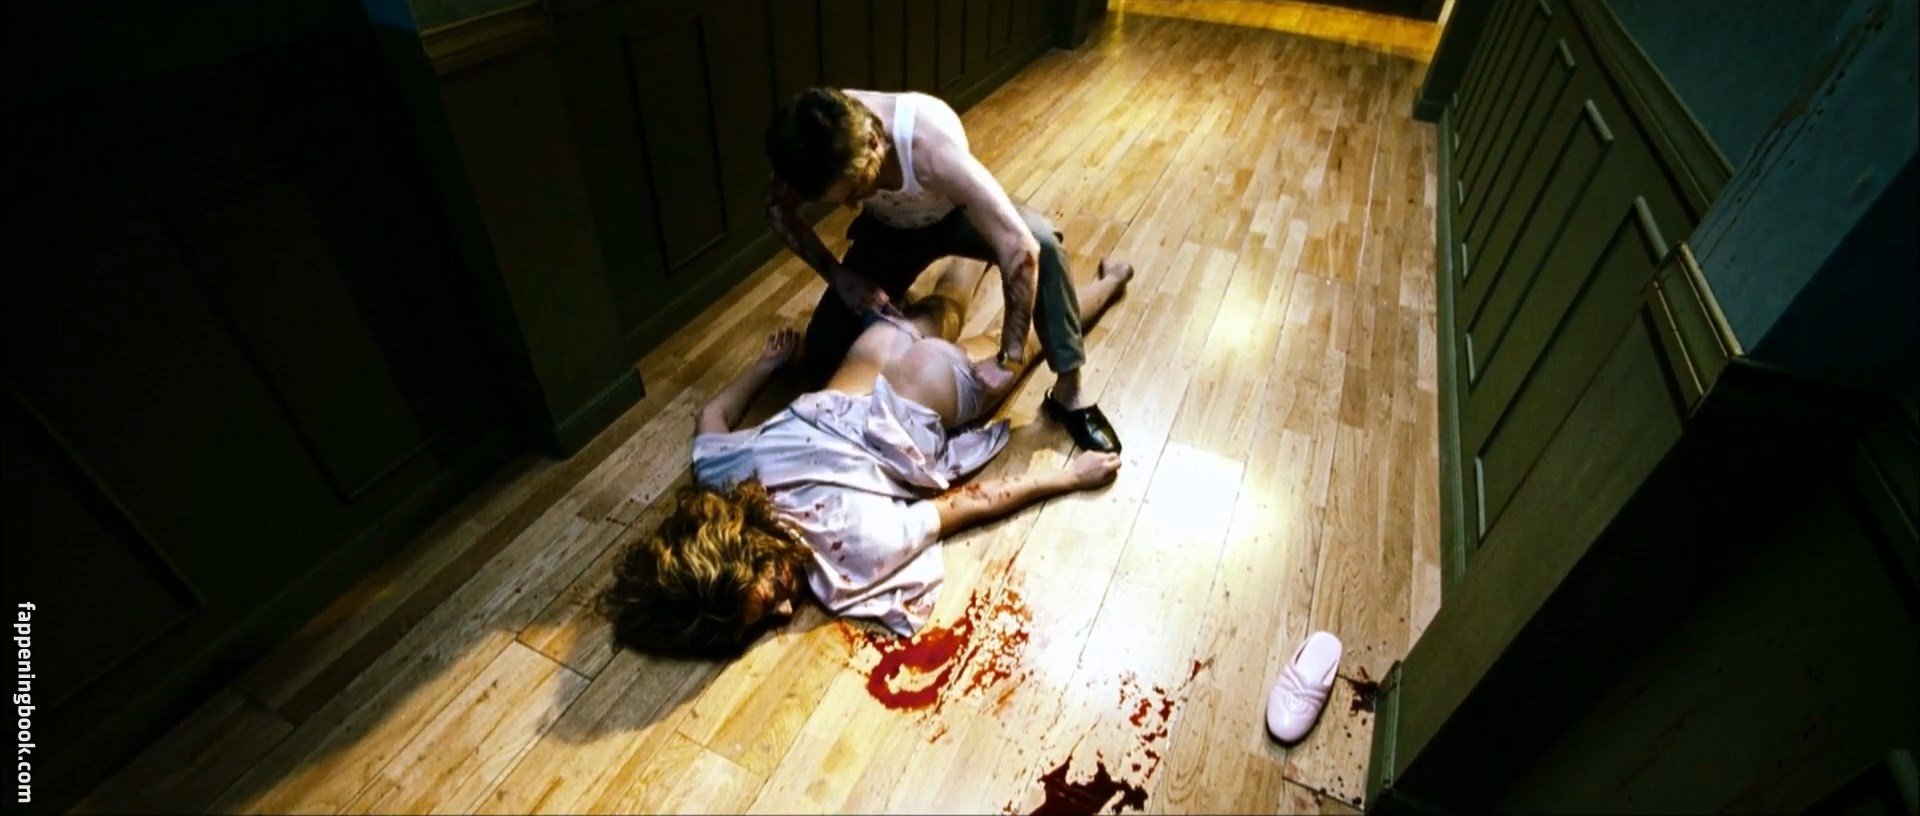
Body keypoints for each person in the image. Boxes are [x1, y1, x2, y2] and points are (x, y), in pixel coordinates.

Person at [600, 256, 1134, 657]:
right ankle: (988, 235)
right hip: (872, 355)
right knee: (946, 305)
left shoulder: (853, 548)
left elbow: (970, 502)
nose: (785, 610)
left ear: (747, 552)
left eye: (770, 597)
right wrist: (765, 367)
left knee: (1029, 341)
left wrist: (1067, 479)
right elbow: (711, 417)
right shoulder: (719, 479)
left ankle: (1107, 280)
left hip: (926, 393)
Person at [762, 86, 1125, 454]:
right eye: (842, 199)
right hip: (890, 227)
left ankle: (1069, 391)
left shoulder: (929, 150)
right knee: (822, 352)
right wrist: (839, 276)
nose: (851, 203)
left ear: (873, 142)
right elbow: (777, 210)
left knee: (1043, 245)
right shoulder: (811, 143)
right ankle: (966, 259)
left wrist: (1009, 355)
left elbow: (1023, 249)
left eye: (856, 189)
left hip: (953, 213)